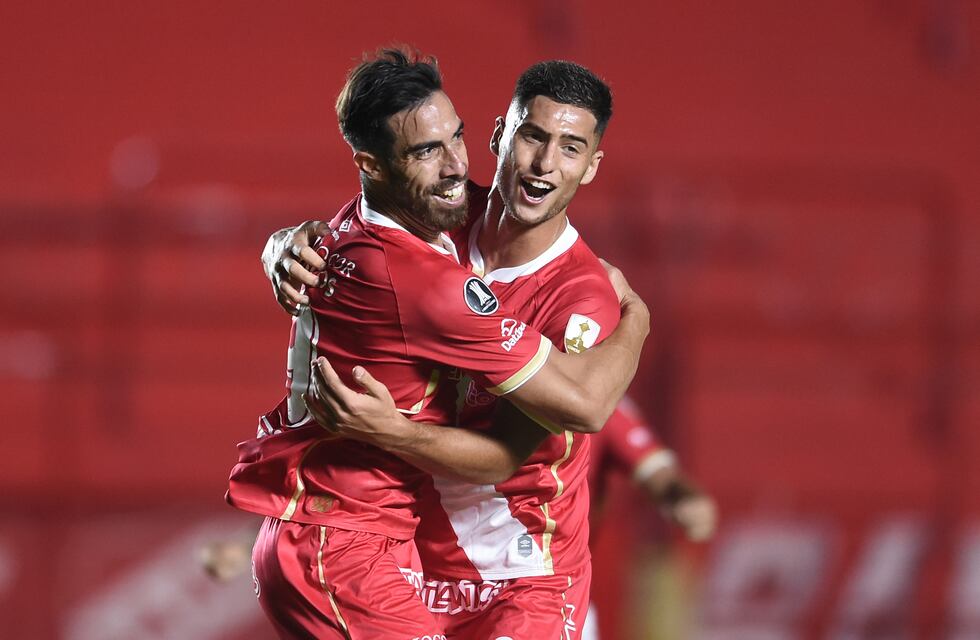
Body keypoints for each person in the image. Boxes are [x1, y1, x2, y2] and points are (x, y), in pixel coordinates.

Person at [227, 49, 649, 640]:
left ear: (592, 166)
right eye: (532, 137)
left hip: (520, 573)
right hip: (408, 556)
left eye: (571, 148)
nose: (545, 164)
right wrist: (281, 244)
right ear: (501, 135)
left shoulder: (579, 297)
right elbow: (366, 232)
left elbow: (560, 423)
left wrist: (635, 318)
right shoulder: (439, 220)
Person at [582, 396, 718, 640]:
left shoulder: (598, 400)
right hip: (505, 574)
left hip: (559, 591)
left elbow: (657, 472)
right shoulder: (509, 388)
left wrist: (682, 497)